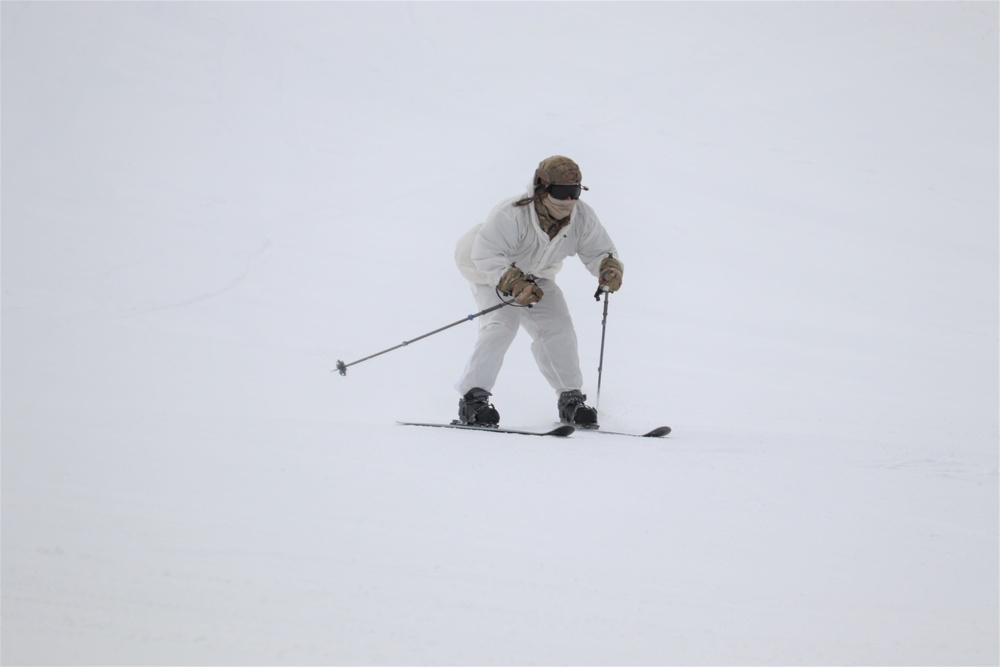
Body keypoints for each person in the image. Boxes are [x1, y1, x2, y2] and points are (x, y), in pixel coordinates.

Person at [453, 155, 623, 428]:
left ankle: (571, 399)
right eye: (561, 192)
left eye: (575, 192)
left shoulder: (581, 216)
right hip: (493, 274)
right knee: (502, 325)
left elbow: (599, 249)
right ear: (542, 189)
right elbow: (486, 255)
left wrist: (608, 267)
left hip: (538, 277)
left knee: (559, 327)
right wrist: (514, 283)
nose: (569, 200)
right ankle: (473, 400)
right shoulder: (512, 213)